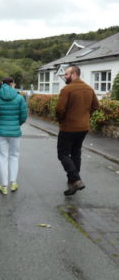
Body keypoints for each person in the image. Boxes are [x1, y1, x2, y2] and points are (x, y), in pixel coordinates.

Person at [55, 65, 99, 196]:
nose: (65, 77)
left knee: (62, 154)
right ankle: (72, 183)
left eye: (66, 74)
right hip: (83, 127)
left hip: (68, 127)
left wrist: (61, 119)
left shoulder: (67, 90)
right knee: (75, 154)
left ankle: (76, 179)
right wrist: (86, 116)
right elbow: (96, 106)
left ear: (74, 74)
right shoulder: (89, 88)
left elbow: (59, 110)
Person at [0, 76, 27, 195]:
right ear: (12, 84)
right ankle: (13, 183)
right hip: (15, 132)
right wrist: (16, 124)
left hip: (1, 132)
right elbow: (24, 116)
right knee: (14, 156)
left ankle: (4, 186)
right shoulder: (20, 98)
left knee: (3, 157)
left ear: (2, 84)